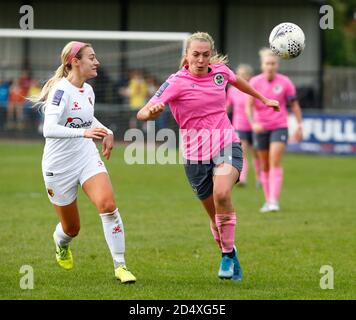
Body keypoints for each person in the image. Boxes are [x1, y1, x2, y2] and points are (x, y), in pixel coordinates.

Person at [137, 32, 279, 281]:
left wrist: (264, 99)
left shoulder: (220, 72)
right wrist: (151, 112)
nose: (201, 60)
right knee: (216, 218)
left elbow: (238, 82)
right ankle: (230, 251)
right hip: (194, 155)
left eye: (205, 54)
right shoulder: (176, 82)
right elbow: (142, 112)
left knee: (222, 194)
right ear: (187, 55)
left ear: (210, 54)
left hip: (226, 143)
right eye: (196, 54)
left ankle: (225, 255)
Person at [31, 41, 136, 283]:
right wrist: (84, 133)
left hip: (86, 155)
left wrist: (106, 130)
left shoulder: (88, 90)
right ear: (74, 61)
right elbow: (49, 129)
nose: (97, 62)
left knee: (108, 204)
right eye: (92, 57)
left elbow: (87, 119)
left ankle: (120, 266)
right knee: (71, 228)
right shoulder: (60, 91)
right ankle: (61, 242)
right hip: (58, 166)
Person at [246, 48, 303, 213]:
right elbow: (248, 107)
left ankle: (274, 201)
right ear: (262, 65)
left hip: (279, 126)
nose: (270, 66)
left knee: (274, 160)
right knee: (264, 164)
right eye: (267, 63)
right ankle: (267, 200)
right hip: (260, 127)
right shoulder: (255, 82)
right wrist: (252, 123)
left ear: (277, 65)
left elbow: (294, 105)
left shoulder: (285, 82)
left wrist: (299, 126)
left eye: (273, 63)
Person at [226, 64, 261, 187]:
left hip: (255, 125)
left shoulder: (254, 89)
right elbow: (227, 107)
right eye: (238, 74)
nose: (239, 76)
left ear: (249, 76)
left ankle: (259, 178)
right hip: (240, 125)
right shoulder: (232, 91)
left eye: (243, 74)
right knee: (242, 153)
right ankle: (242, 178)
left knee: (257, 153)